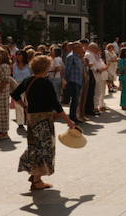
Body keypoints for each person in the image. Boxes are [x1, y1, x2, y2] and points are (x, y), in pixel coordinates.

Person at [11, 54, 81, 192]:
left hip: (31, 118)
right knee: (45, 148)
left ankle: (35, 175)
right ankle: (37, 180)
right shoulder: (45, 82)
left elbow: (14, 94)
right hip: (43, 119)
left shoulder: (28, 80)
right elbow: (56, 104)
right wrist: (69, 121)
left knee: (35, 145)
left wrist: (24, 107)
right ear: (45, 68)